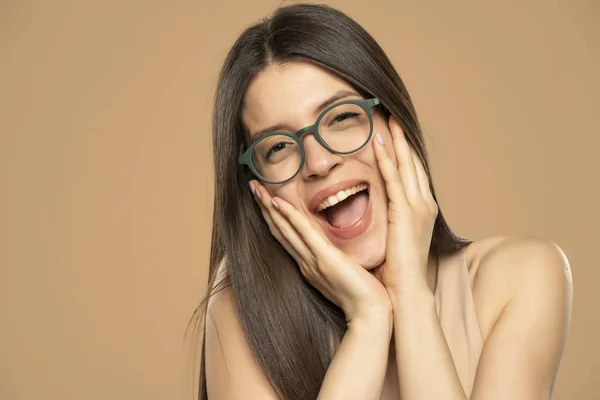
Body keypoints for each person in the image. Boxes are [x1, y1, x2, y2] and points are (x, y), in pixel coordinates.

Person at [195, 3, 573, 399]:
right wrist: (369, 321)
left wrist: (409, 294)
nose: (319, 162)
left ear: (396, 123)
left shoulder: (520, 277)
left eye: (341, 117)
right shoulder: (243, 307)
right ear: (258, 188)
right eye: (278, 147)